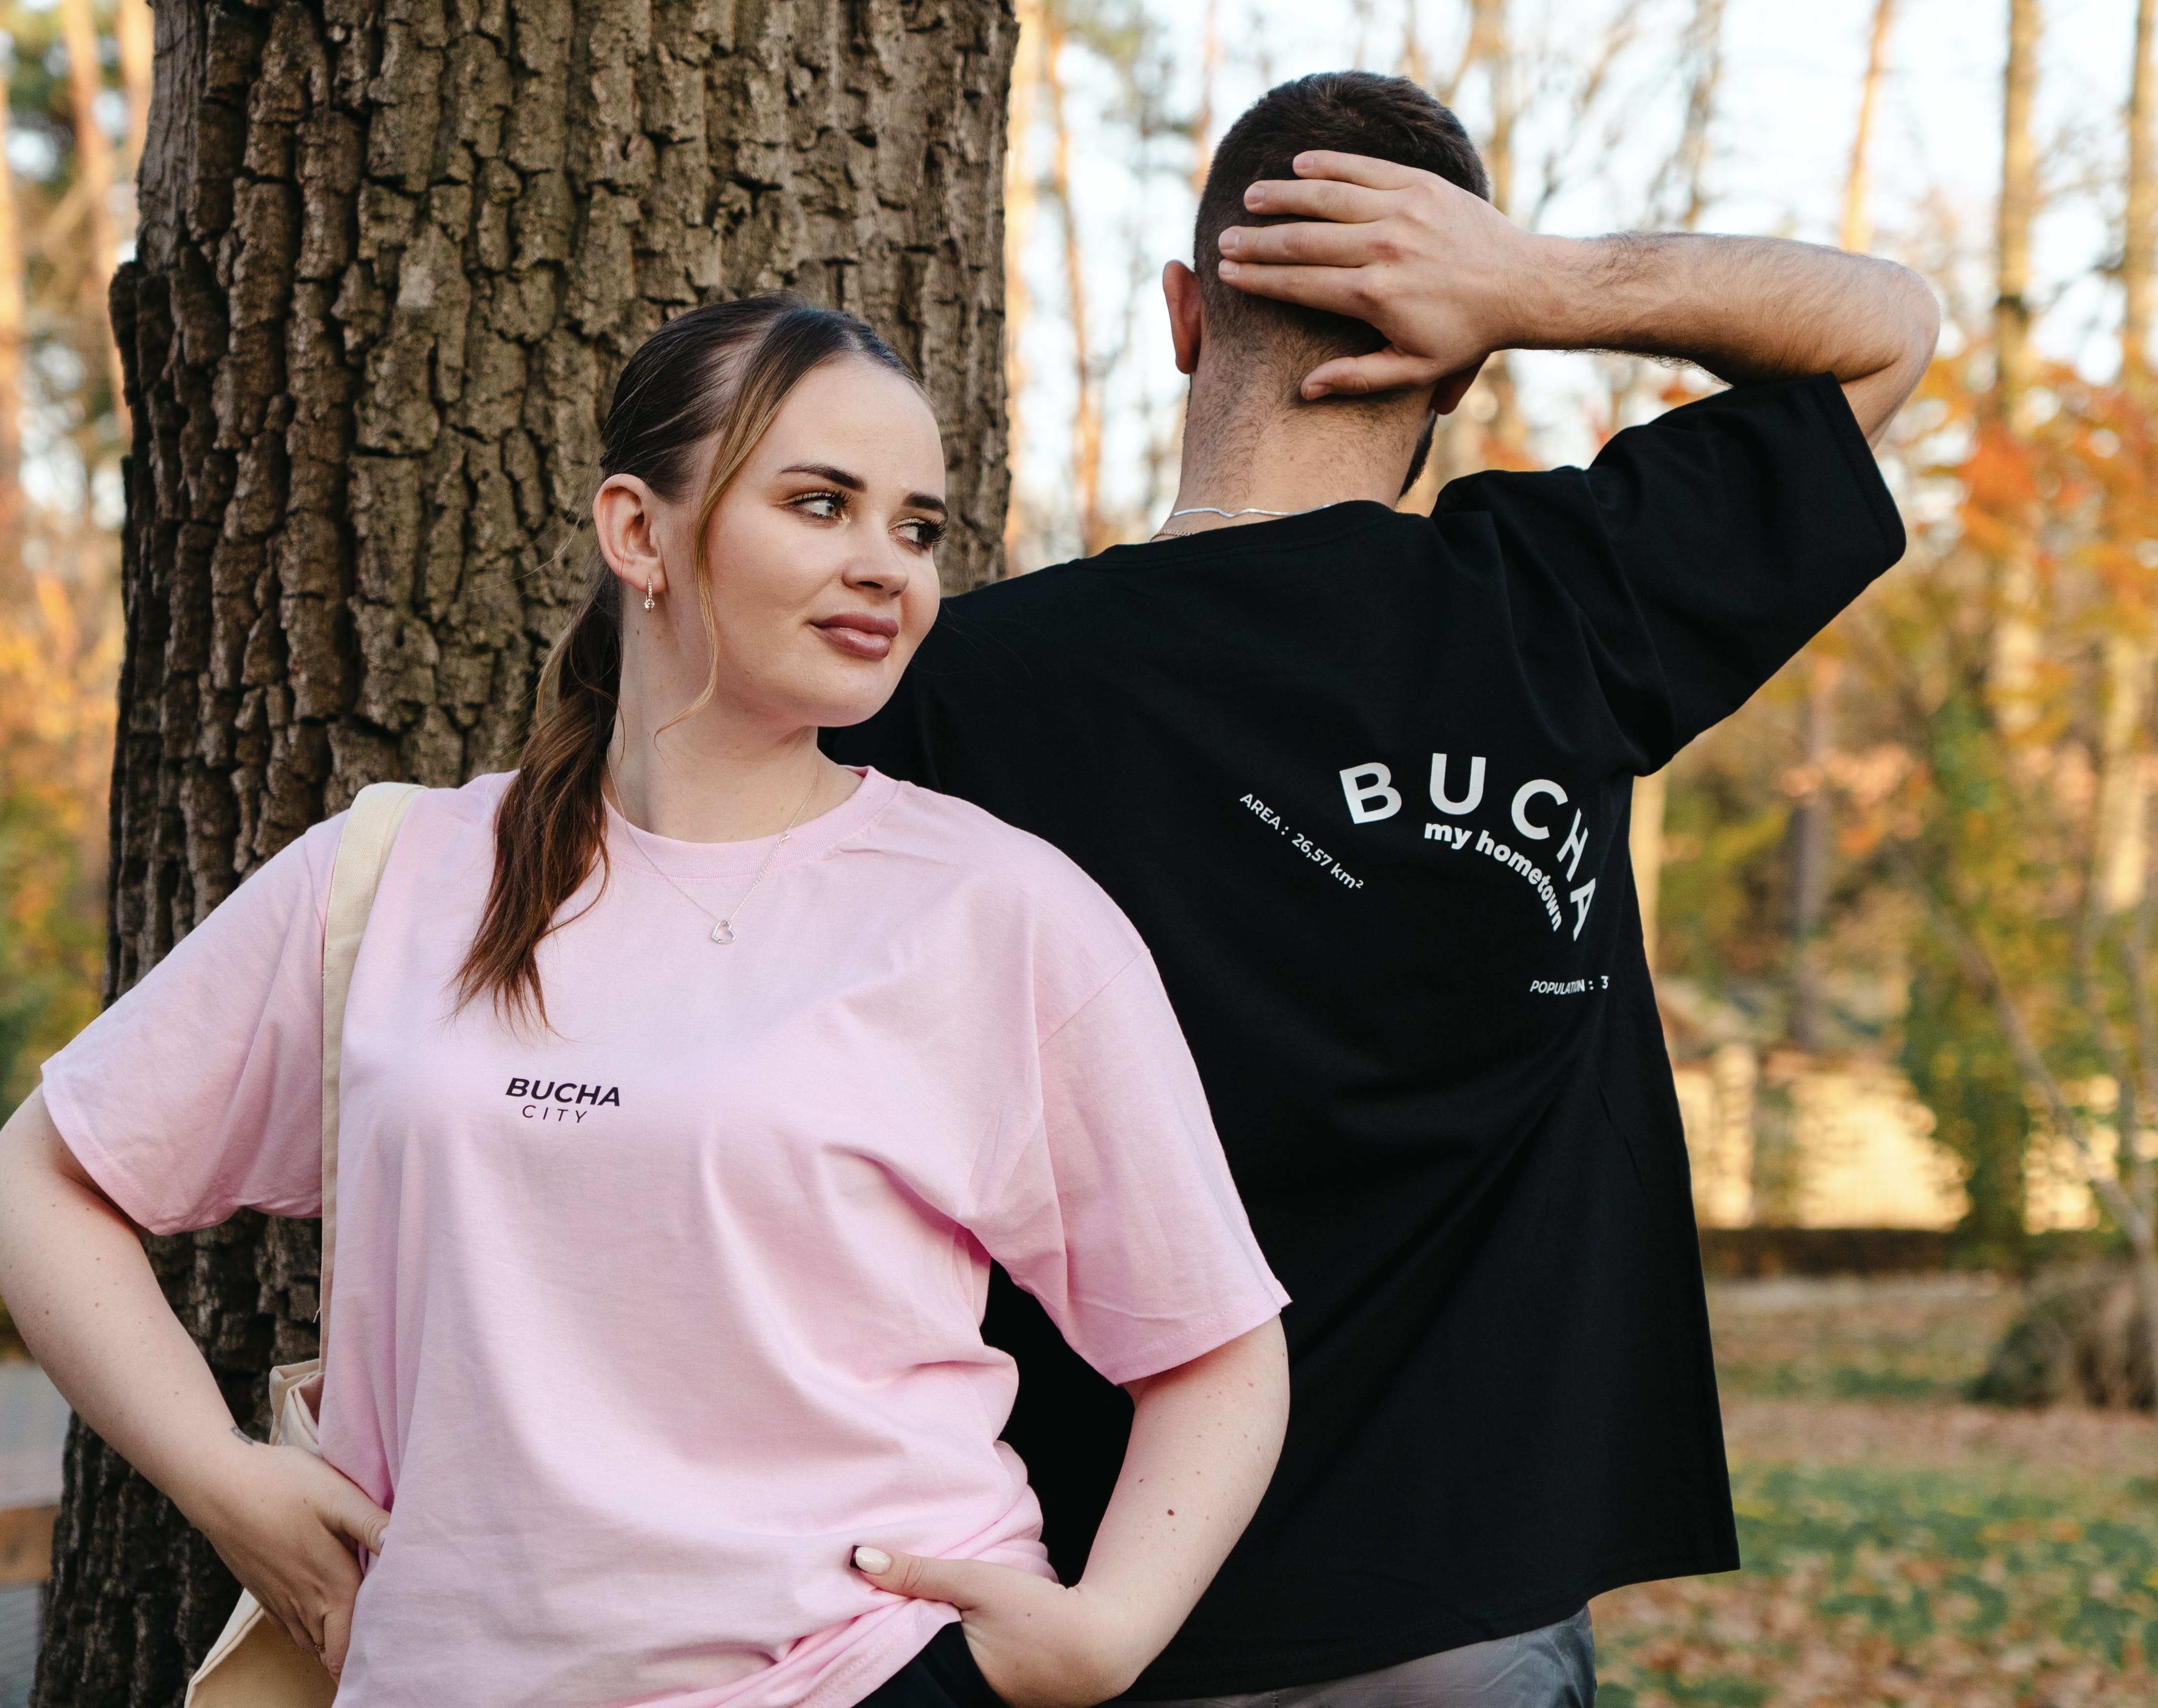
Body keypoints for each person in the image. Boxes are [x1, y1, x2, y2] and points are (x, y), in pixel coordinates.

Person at [0, 294, 1294, 1708]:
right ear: (638, 531)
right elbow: (42, 1181)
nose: (887, 567)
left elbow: (1217, 1349)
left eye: (918, 528)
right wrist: (220, 1478)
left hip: (855, 1672)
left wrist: (1100, 1635)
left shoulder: (997, 909)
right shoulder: (399, 874)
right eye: (821, 503)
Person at [827, 72, 1939, 1707]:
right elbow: (1889, 331)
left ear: (1183, 317)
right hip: (1452, 1616)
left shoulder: (945, 690)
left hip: (1078, 1595)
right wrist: (1542, 284)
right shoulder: (1559, 608)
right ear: (1458, 362)